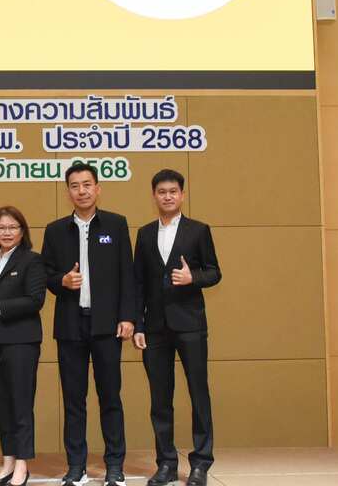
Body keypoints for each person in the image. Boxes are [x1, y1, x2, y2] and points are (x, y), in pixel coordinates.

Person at [42, 163, 135, 486]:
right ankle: (76, 466)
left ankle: (114, 465)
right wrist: (62, 280)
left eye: (86, 184)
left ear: (98, 188)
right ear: (67, 191)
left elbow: (127, 275)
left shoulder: (116, 224)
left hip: (107, 325)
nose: (81, 191)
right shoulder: (55, 230)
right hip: (70, 325)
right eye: (74, 185)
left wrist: (128, 317)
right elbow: (45, 275)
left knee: (110, 397)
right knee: (73, 400)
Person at [133, 169, 222, 486]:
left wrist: (192, 277)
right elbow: (138, 283)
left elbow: (214, 272)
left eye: (173, 191)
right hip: (154, 328)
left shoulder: (198, 230)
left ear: (182, 195)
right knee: (160, 399)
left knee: (199, 393)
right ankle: (166, 463)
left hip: (190, 325)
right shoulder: (144, 234)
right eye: (162, 192)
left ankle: (201, 463)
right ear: (154, 196)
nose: (167, 196)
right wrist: (138, 324)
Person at [0, 206, 47, 486]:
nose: (6, 232)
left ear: (22, 231)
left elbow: (35, 300)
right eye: (1, 227)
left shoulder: (32, 261)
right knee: (1, 403)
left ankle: (22, 465)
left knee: (21, 403)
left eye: (13, 227)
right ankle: (8, 463)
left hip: (21, 342)